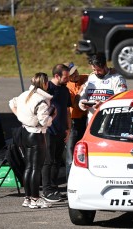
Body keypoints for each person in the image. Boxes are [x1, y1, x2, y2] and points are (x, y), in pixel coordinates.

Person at [9, 72, 55, 209]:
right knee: (36, 168)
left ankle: (28, 198)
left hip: (24, 132)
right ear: (45, 84)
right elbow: (44, 121)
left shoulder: (24, 94)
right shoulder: (41, 99)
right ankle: (35, 198)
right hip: (36, 134)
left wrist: (21, 117)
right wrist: (53, 116)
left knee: (28, 167)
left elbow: (11, 103)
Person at [42, 64, 72, 202]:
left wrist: (68, 129)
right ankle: (46, 190)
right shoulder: (47, 89)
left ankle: (54, 189)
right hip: (48, 131)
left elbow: (66, 110)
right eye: (66, 77)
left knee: (56, 161)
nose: (68, 79)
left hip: (61, 130)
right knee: (48, 161)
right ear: (56, 76)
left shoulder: (65, 90)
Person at [78, 53, 128, 122]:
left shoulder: (117, 79)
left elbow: (121, 100)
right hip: (92, 123)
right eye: (93, 70)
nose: (96, 72)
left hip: (110, 123)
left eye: (99, 70)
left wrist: (103, 104)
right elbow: (83, 95)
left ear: (105, 66)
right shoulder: (91, 77)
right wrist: (82, 103)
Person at [64, 62, 88, 180]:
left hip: (85, 119)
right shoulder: (67, 87)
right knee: (71, 151)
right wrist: (80, 92)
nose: (76, 75)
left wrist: (110, 70)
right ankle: (70, 179)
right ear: (67, 76)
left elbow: (95, 74)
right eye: (73, 74)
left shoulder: (84, 77)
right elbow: (74, 105)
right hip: (73, 121)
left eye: (76, 71)